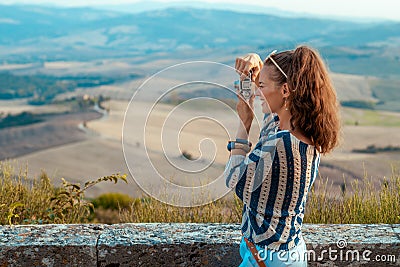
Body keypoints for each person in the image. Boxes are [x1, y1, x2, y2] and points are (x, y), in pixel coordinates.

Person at [224, 45, 340, 267]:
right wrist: (255, 65)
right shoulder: (294, 130)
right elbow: (268, 114)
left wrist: (244, 124)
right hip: (281, 252)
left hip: (271, 259)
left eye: (262, 86)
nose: (257, 92)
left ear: (285, 90)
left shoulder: (283, 145)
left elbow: (234, 179)